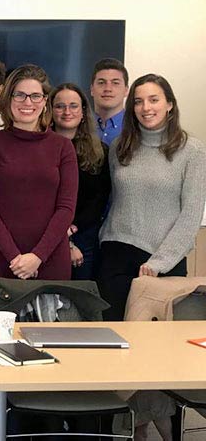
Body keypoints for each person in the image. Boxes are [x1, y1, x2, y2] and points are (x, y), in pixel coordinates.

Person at [99, 74, 206, 321]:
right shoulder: (120, 147)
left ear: (169, 104)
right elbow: (114, 200)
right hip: (115, 257)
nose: (146, 108)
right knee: (110, 340)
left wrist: (160, 262)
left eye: (154, 99)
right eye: (138, 101)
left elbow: (190, 217)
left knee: (157, 347)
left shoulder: (193, 151)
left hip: (161, 264)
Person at [0, 64, 78, 281]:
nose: (27, 102)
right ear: (8, 98)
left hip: (51, 257)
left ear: (45, 100)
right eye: (19, 95)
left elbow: (66, 208)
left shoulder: (63, 147)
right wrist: (15, 257)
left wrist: (37, 256)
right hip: (2, 258)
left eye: (35, 96)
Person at [49, 83, 110, 281]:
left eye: (74, 106)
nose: (67, 112)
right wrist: (63, 237)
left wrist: (72, 231)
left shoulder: (100, 151)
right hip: (45, 235)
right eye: (60, 106)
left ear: (83, 111)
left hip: (85, 236)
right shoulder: (39, 147)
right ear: (50, 110)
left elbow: (99, 198)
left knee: (80, 304)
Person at [90, 58, 129, 146]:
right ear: (92, 89)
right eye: (101, 83)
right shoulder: (79, 126)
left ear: (126, 90)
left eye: (115, 83)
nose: (108, 89)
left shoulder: (137, 127)